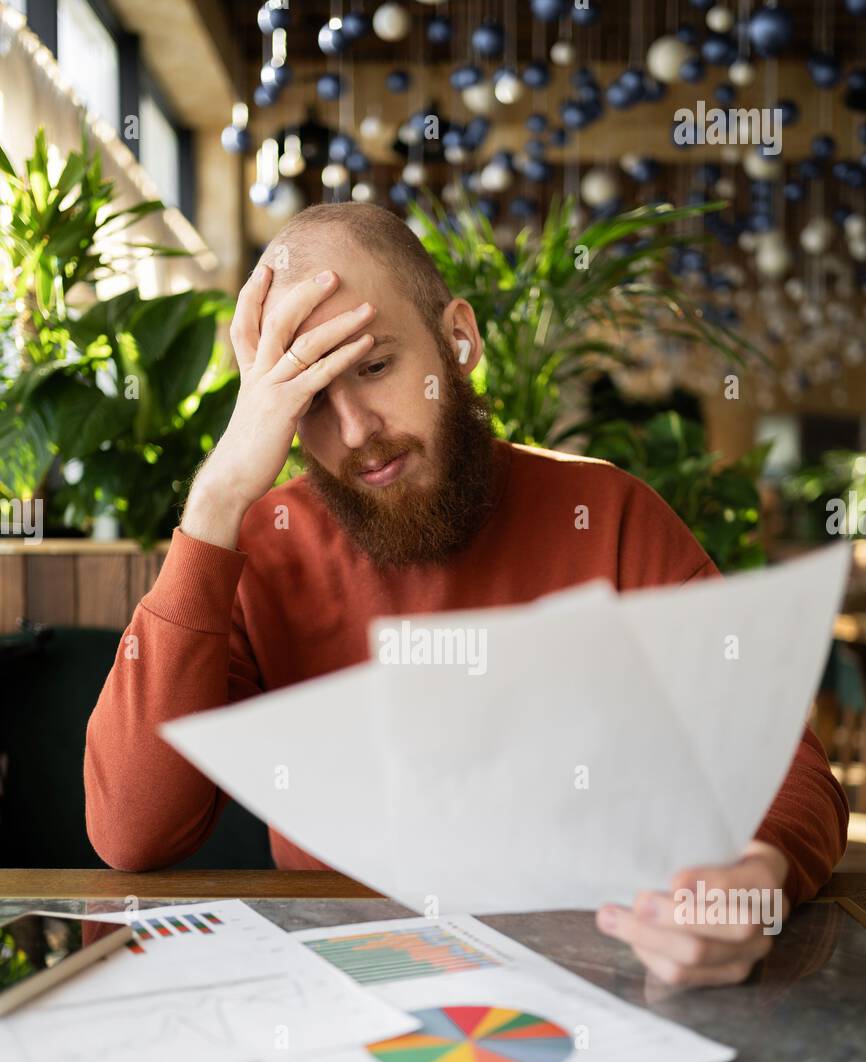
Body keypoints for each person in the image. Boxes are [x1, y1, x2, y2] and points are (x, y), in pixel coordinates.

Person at [84, 202, 848, 989]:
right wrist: (214, 505)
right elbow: (133, 835)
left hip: (594, 974)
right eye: (308, 397)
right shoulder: (261, 547)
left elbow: (791, 777)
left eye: (375, 367)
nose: (354, 432)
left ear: (459, 338)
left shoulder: (610, 516)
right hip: (346, 992)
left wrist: (751, 884)